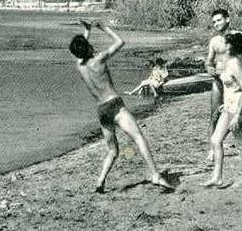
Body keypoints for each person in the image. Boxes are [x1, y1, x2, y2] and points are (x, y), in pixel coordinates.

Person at [68, 20, 173, 193]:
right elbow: (120, 42)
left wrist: (87, 30)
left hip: (101, 110)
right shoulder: (99, 59)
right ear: (87, 47)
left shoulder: (80, 66)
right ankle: (155, 175)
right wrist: (104, 28)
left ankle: (100, 182)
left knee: (112, 150)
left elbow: (81, 53)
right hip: (115, 105)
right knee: (138, 137)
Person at [202, 31, 242, 188]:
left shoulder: (236, 65)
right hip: (228, 108)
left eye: (226, 42)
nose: (223, 44)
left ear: (231, 46)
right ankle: (217, 177)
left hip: (239, 109)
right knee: (215, 140)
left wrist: (237, 114)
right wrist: (225, 103)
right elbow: (229, 88)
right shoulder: (228, 62)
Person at [204, 9, 242, 160]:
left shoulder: (238, 36)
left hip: (235, 81)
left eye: (219, 20)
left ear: (227, 19)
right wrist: (208, 68)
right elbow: (208, 61)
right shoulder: (214, 41)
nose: (216, 24)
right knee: (214, 115)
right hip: (219, 81)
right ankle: (213, 149)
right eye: (214, 22)